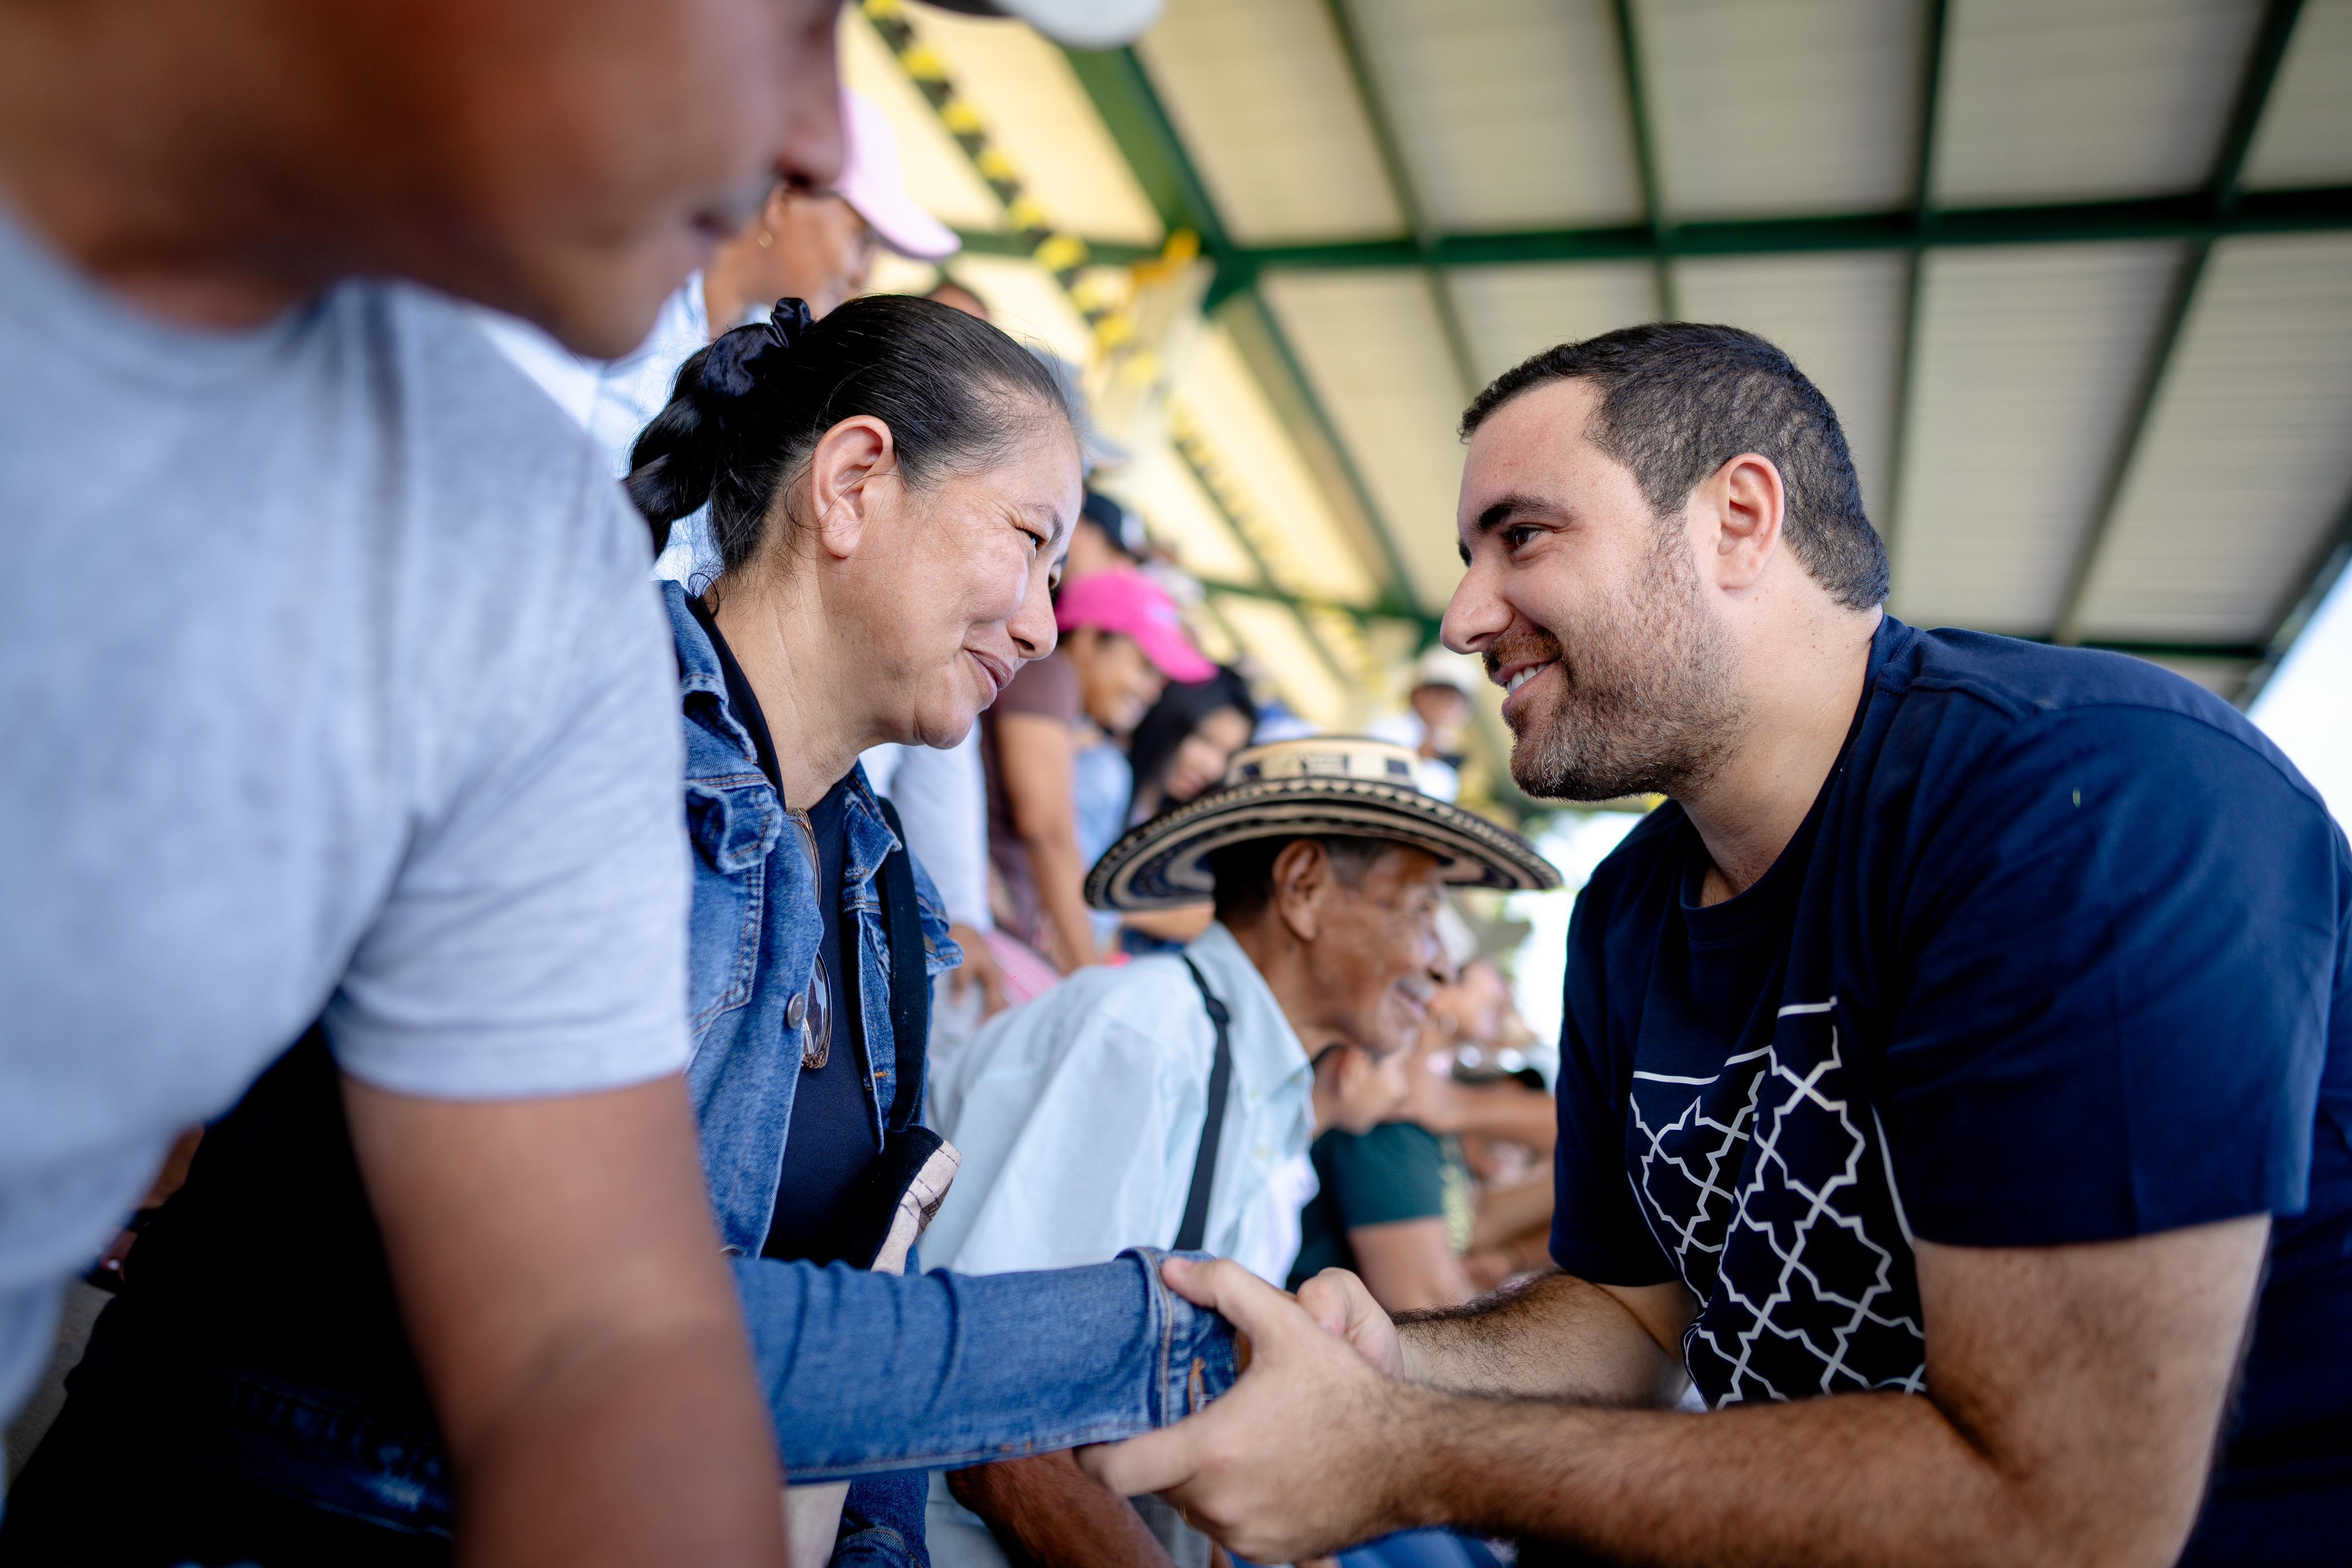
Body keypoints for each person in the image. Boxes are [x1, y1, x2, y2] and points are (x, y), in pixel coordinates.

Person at [0, 0, 1155, 1560]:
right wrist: (1159, 1338)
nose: (1041, 625)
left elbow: (693, 1346)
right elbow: (589, 1326)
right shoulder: (579, 687)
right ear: (853, 481)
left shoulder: (874, 889)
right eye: (1028, 544)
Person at [1077, 323, 2352, 1568]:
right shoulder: (1627, 910)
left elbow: (2061, 1512)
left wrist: (1404, 1450)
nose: (1464, 617)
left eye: (1522, 536)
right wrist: (1391, 1356)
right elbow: (1632, 1319)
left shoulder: (2083, 804)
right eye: (1469, 556)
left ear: (1739, 519)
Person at [924, 737, 1559, 1568]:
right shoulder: (1145, 1040)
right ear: (1303, 888)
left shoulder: (1256, 1095)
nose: (1439, 963)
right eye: (1418, 911)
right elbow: (1006, 1427)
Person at [981, 567, 1211, 978]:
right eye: (1144, 666)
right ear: (1088, 641)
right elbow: (1048, 833)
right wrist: (1087, 977)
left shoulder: (1072, 711)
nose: (1152, 690)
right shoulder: (1052, 673)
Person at [1116, 666, 1260, 956]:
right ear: (1174, 718)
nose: (1212, 767)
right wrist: (1164, 919)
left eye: (1227, 755)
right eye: (1205, 740)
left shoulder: (1171, 833)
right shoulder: (1108, 777)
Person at [1366, 648, 1480, 803]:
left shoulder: (1449, 757)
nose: (1445, 705)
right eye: (1439, 693)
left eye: (1455, 699)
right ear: (1416, 693)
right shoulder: (1386, 731)